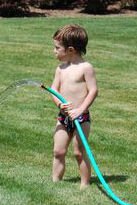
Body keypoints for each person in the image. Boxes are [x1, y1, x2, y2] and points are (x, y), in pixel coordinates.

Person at [50, 24, 98, 189]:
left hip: (81, 118)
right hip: (63, 118)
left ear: (70, 49)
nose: (54, 51)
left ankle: (84, 185)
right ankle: (55, 183)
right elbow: (53, 90)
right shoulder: (61, 69)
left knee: (79, 152)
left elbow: (93, 91)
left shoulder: (86, 68)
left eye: (57, 48)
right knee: (58, 151)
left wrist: (80, 110)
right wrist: (60, 104)